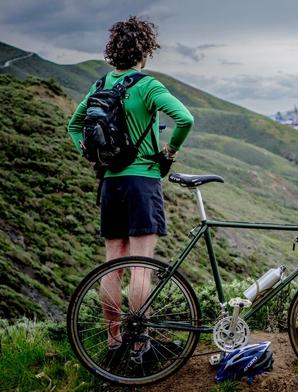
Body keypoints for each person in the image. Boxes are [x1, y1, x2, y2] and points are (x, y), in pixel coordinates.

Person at [67, 16, 194, 359]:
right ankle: (139, 344)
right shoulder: (147, 86)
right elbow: (186, 119)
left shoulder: (100, 85)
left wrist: (90, 155)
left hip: (110, 182)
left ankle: (113, 341)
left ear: (113, 51)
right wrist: (170, 150)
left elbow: (74, 125)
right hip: (143, 181)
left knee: (113, 263)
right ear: (145, 51)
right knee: (141, 264)